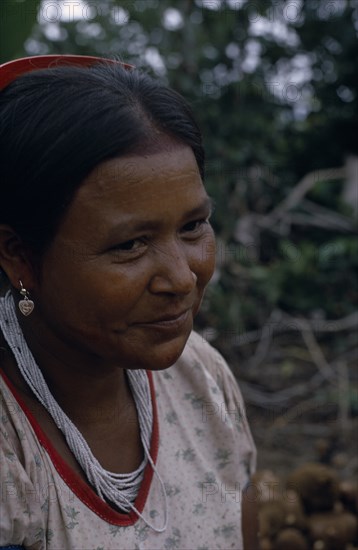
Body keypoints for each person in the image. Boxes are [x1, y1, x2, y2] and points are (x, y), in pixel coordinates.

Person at [0, 55, 257, 549]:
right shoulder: (12, 448)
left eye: (192, 226)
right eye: (129, 245)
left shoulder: (201, 376)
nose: (182, 278)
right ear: (18, 255)